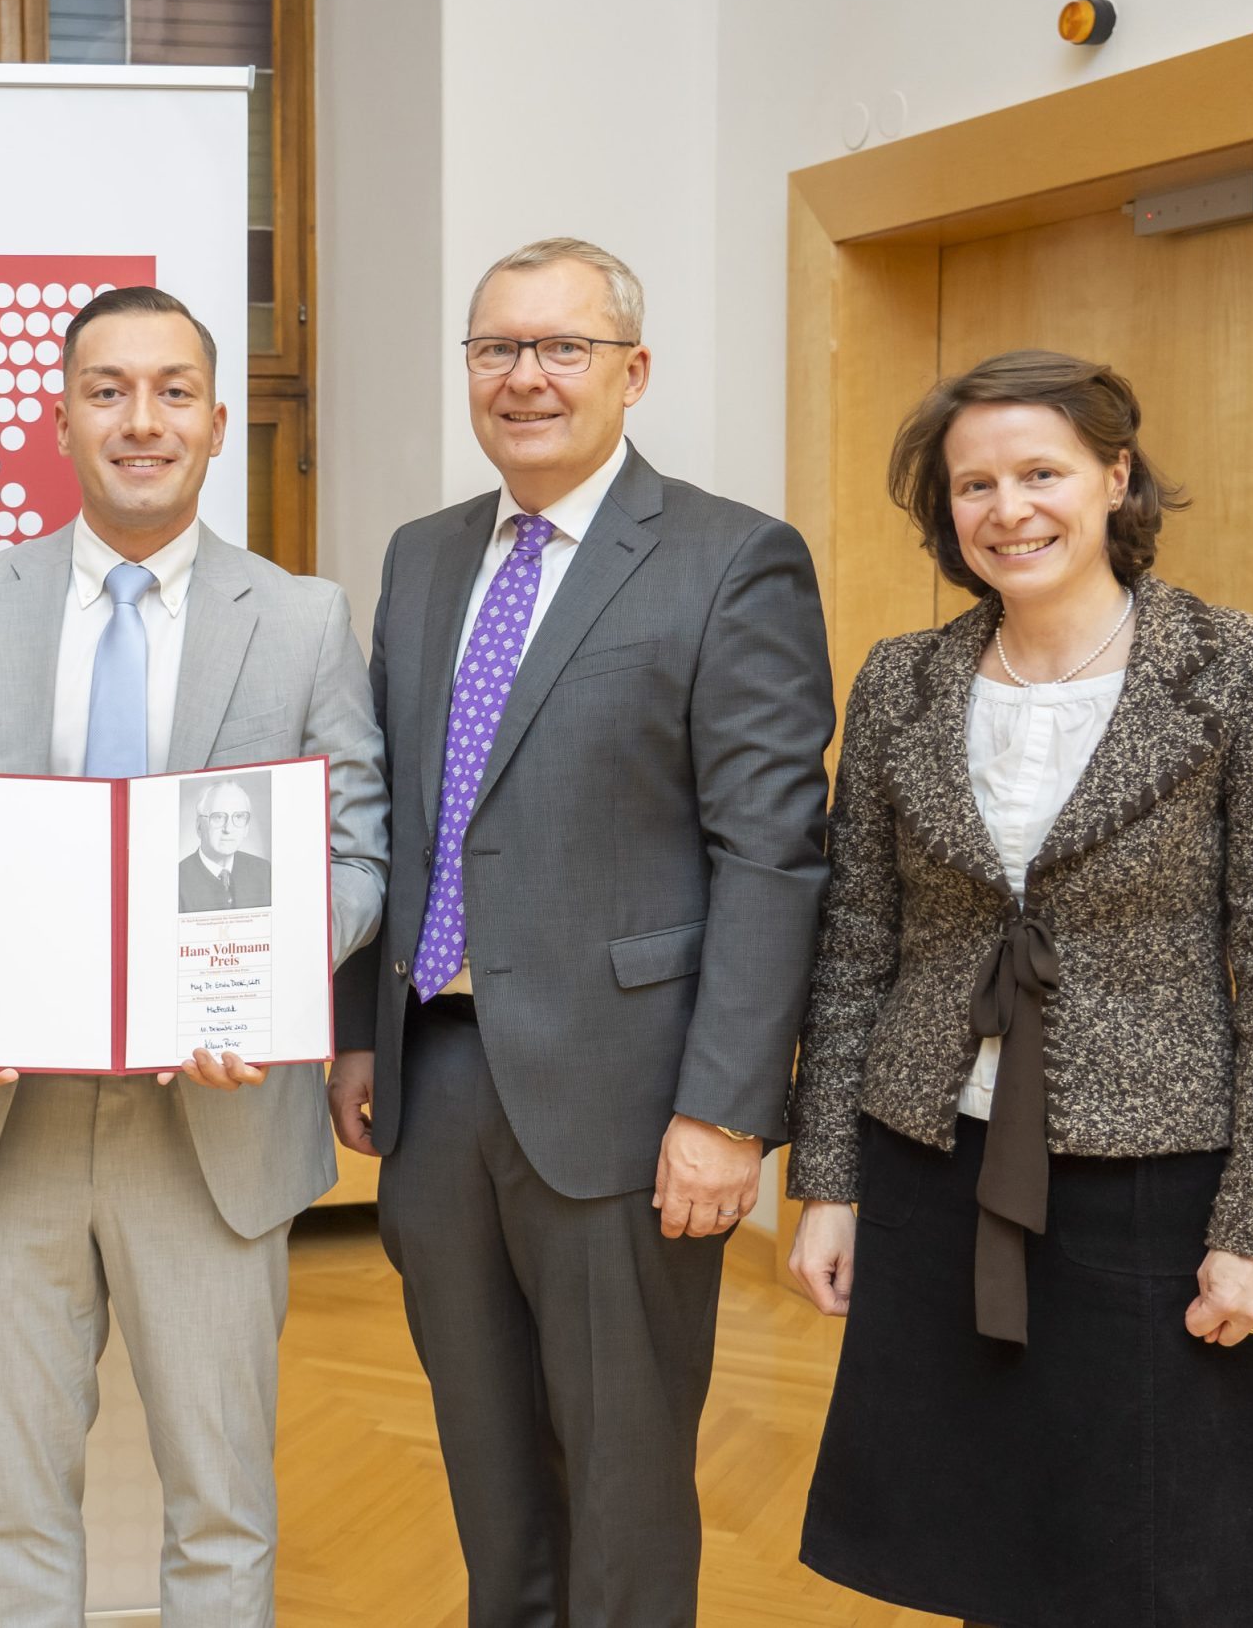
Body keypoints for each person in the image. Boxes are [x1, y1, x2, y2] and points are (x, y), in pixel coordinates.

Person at [786, 350, 1253, 1628]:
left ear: (1113, 477)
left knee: (1169, 1558)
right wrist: (826, 1184)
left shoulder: (1242, 670)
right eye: (973, 484)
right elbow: (855, 942)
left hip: (1150, 1181)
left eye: (1039, 472)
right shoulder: (899, 680)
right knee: (983, 1548)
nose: (1008, 509)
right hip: (932, 1162)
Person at [329, 237, 834, 1626]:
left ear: (633, 371)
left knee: (621, 1483)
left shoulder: (731, 559)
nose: (526, 377)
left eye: (563, 347)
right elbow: (397, 812)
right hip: (434, 1081)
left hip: (628, 1101)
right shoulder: (425, 555)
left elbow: (771, 856)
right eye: (497, 347)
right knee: (491, 1477)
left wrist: (725, 1111)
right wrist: (359, 1028)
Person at [0, 284, 388, 1627]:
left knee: (221, 1508)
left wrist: (267, 991)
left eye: (172, 390)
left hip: (217, 1126)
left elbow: (357, 853)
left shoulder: (303, 618)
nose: (140, 419)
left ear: (217, 422)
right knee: (15, 1509)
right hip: (8, 1122)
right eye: (107, 390)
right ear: (61, 420)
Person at [177, 776, 271, 911]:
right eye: (218, 817)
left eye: (239, 816)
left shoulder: (263, 871)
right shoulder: (177, 879)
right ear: (199, 826)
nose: (228, 829)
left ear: (246, 828)